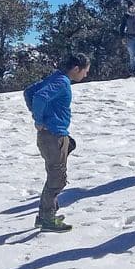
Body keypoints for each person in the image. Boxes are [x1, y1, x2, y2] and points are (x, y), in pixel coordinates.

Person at [25, 53, 91, 232]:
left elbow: (29, 92)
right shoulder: (62, 82)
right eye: (85, 71)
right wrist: (39, 119)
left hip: (53, 134)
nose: (85, 76)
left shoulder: (56, 77)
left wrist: (40, 115)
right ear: (76, 69)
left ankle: (46, 215)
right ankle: (47, 219)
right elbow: (38, 97)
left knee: (55, 175)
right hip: (53, 135)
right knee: (57, 179)